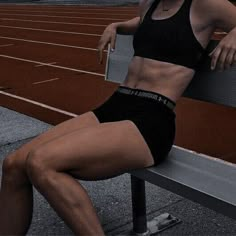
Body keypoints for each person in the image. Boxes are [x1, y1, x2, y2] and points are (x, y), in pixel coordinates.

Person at [0, 0, 236, 235]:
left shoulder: (205, 4)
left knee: (42, 163)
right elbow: (145, 24)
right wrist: (117, 25)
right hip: (116, 105)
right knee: (13, 165)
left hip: (150, 120)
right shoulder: (149, 4)